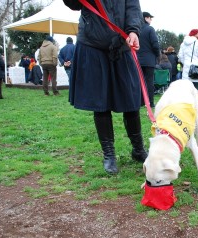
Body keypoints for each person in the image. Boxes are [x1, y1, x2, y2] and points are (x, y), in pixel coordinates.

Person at [63, 0, 147, 174]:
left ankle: (138, 149)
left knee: (131, 100)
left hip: (121, 44)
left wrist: (133, 30)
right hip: (92, 45)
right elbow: (73, 3)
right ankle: (109, 155)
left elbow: (132, 7)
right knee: (100, 103)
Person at [137, 11, 160, 108]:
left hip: (137, 59)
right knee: (149, 81)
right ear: (146, 18)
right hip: (149, 60)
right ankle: (150, 102)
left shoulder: (136, 30)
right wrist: (157, 54)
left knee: (139, 81)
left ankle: (140, 101)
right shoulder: (150, 29)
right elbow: (155, 44)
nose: (151, 20)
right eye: (150, 18)